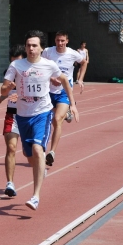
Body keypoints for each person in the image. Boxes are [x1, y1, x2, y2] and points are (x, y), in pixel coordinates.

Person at [1, 30, 79, 210]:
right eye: (28, 45)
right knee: (29, 157)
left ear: (41, 48)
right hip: (22, 115)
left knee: (38, 149)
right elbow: (3, 90)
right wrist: (7, 89)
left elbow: (65, 81)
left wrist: (73, 104)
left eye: (34, 45)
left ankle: (35, 196)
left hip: (42, 113)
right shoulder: (16, 66)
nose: (31, 48)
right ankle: (40, 168)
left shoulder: (49, 64)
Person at [41, 30, 87, 167]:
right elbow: (40, 66)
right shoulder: (48, 52)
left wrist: (80, 79)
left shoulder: (73, 54)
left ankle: (52, 153)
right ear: (54, 41)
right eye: (57, 40)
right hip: (48, 92)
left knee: (57, 120)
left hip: (64, 92)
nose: (60, 43)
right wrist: (51, 78)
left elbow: (84, 62)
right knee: (49, 123)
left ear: (67, 41)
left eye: (62, 41)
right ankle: (42, 150)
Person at [0, 44, 27, 197]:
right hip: (12, 115)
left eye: (17, 62)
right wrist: (2, 97)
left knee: (30, 152)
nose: (14, 66)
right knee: (11, 148)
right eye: (12, 63)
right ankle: (10, 183)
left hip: (30, 115)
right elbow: (6, 90)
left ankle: (38, 167)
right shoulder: (9, 73)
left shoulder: (32, 74)